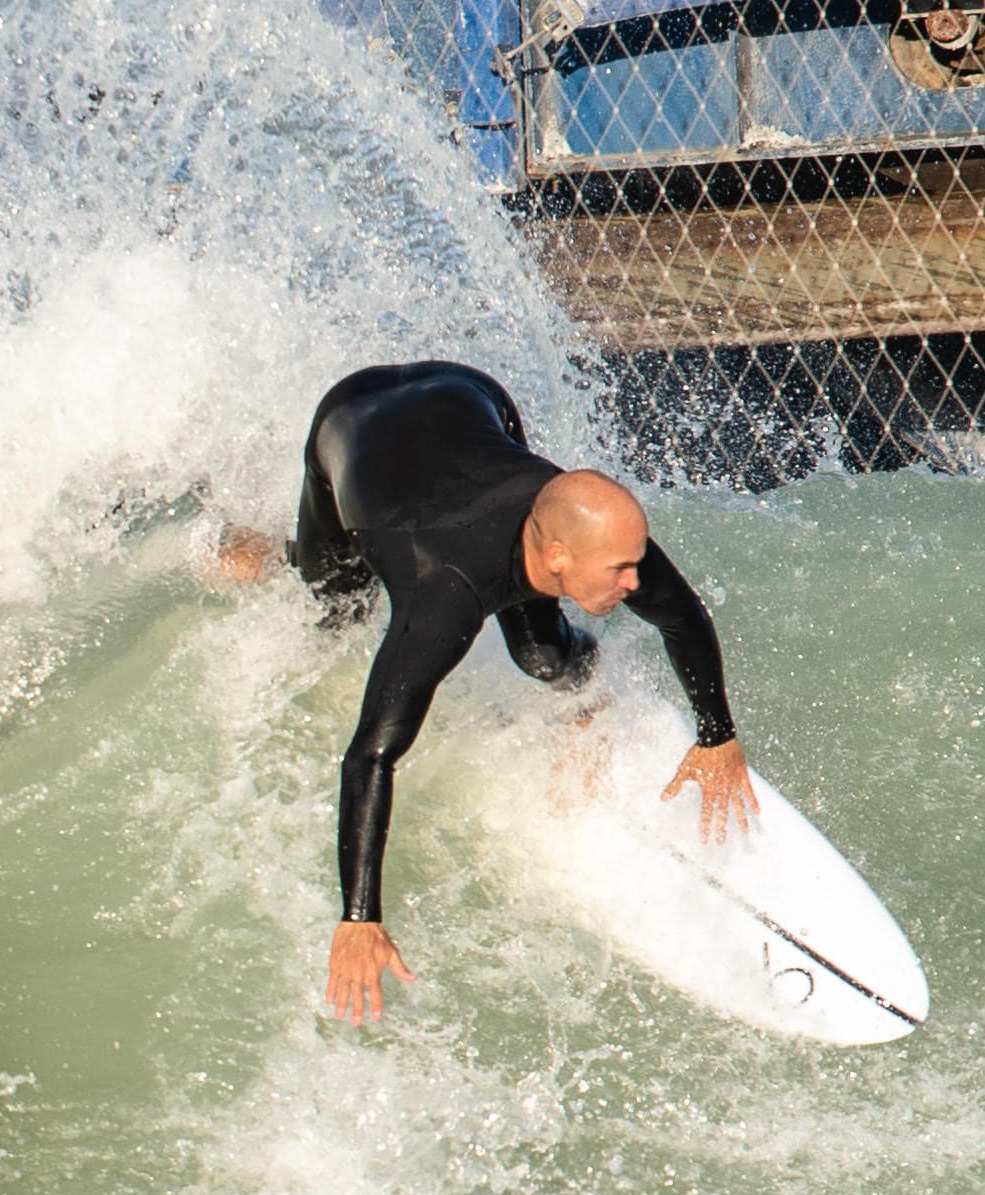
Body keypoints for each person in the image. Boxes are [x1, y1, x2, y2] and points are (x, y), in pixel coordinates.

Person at [244, 360, 758, 1022]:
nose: (635, 581)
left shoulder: (591, 529)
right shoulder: (442, 596)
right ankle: (249, 553)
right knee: (334, 613)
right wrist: (359, 916)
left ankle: (584, 706)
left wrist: (717, 735)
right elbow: (370, 755)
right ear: (558, 559)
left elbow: (681, 615)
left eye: (636, 561)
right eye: (621, 570)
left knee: (543, 655)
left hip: (466, 396)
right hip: (349, 424)